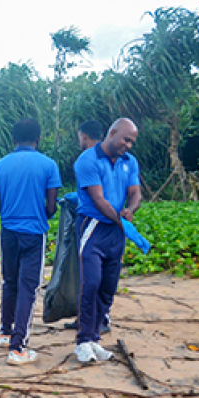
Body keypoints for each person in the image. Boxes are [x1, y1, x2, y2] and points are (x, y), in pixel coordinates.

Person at [0, 118, 62, 365]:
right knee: (28, 288)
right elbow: (51, 206)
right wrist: (42, 212)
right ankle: (18, 347)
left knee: (9, 282)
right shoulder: (48, 165)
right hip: (33, 233)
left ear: (13, 139)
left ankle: (5, 332)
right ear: (38, 139)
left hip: (8, 232)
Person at [73, 118, 142, 363]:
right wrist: (120, 220)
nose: (129, 145)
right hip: (93, 227)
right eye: (126, 139)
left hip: (116, 230)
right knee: (90, 283)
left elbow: (135, 193)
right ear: (112, 133)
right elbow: (98, 199)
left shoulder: (129, 162)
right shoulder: (88, 160)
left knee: (108, 286)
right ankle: (82, 341)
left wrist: (130, 210)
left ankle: (94, 339)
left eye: (132, 142)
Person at [64, 120, 112, 333]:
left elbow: (97, 196)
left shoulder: (87, 159)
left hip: (92, 222)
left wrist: (75, 199)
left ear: (83, 136)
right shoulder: (110, 157)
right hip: (108, 222)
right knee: (95, 272)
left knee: (92, 274)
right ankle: (87, 318)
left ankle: (99, 320)